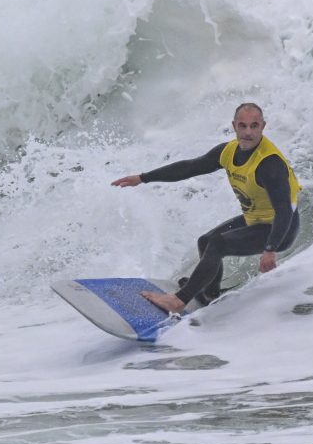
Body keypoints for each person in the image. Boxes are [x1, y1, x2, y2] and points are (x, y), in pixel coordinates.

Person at [111, 103, 301, 314]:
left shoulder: (269, 164)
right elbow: (191, 167)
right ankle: (210, 294)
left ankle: (177, 301)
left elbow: (284, 210)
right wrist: (143, 178)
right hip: (256, 219)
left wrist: (271, 249)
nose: (248, 132)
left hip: (280, 228)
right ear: (234, 126)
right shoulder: (228, 152)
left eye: (254, 126)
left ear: (263, 126)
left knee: (218, 244)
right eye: (243, 125)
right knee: (206, 241)